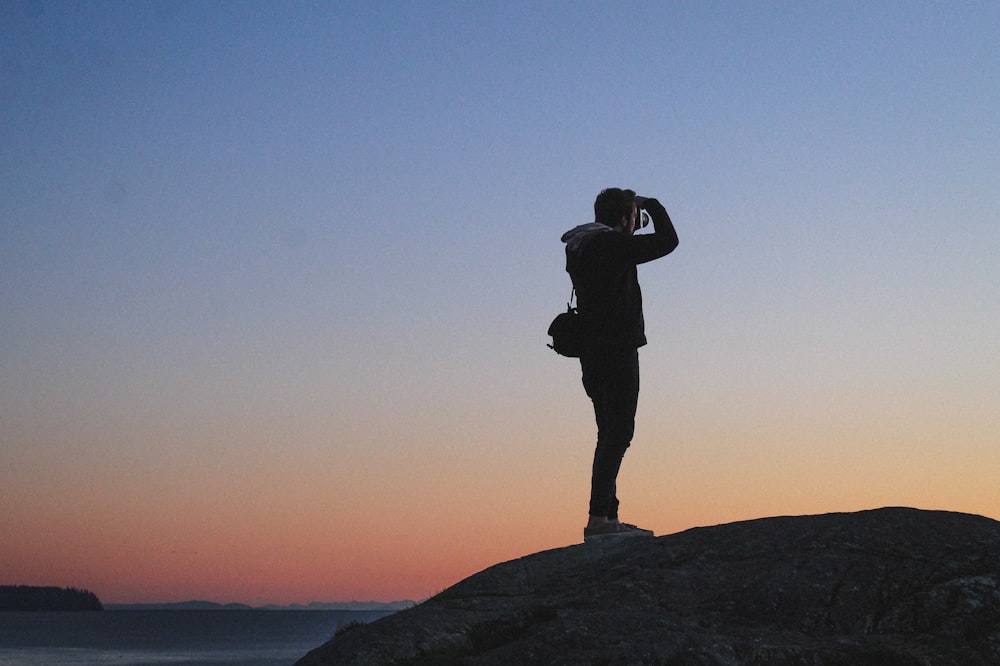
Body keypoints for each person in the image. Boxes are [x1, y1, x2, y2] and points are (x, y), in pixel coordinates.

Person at [560, 188, 679, 542]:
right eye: (633, 218)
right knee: (618, 433)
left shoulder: (581, 245)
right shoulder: (610, 246)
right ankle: (599, 520)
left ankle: (607, 515)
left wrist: (628, 217)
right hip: (617, 351)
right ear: (625, 218)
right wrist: (652, 205)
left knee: (608, 432)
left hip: (592, 353)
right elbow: (668, 241)